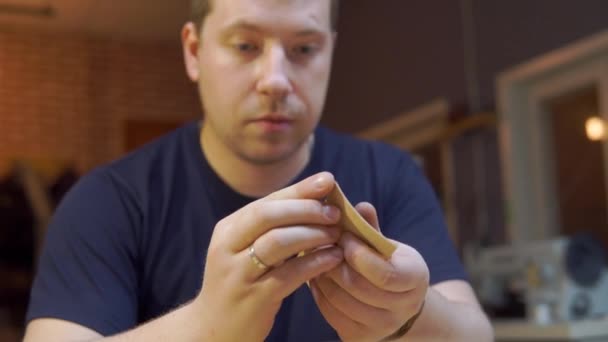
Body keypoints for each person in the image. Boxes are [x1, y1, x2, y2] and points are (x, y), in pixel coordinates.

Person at [23, 0, 493, 341]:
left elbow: (475, 335)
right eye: (246, 45)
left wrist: (412, 313)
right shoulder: (108, 200)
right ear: (193, 51)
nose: (275, 80)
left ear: (330, 52)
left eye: (304, 49)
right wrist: (206, 326)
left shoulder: (389, 174)